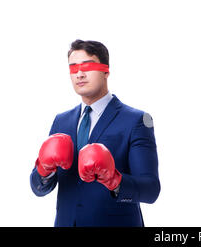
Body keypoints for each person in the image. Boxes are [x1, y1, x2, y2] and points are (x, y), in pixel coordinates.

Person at [30, 39, 160, 227]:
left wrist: (114, 180)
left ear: (106, 70)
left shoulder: (136, 120)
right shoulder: (61, 121)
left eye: (87, 66)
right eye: (73, 68)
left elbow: (151, 190)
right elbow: (38, 188)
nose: (80, 74)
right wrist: (44, 170)